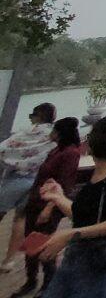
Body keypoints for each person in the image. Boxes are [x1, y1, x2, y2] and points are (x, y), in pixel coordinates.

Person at [36, 113, 106, 298]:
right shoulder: (99, 172)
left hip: (100, 265)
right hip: (76, 261)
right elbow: (83, 215)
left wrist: (71, 234)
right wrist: (58, 197)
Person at [10, 117, 81, 297]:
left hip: (48, 206)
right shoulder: (57, 150)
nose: (51, 134)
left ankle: (49, 282)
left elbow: (64, 183)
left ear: (61, 133)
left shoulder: (70, 153)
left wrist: (48, 209)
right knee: (30, 244)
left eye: (54, 131)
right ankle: (31, 280)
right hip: (35, 203)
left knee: (43, 244)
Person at [0, 103, 56, 272]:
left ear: (37, 116)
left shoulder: (26, 132)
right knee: (20, 219)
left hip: (15, 179)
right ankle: (8, 261)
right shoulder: (53, 136)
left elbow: (3, 149)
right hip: (36, 181)